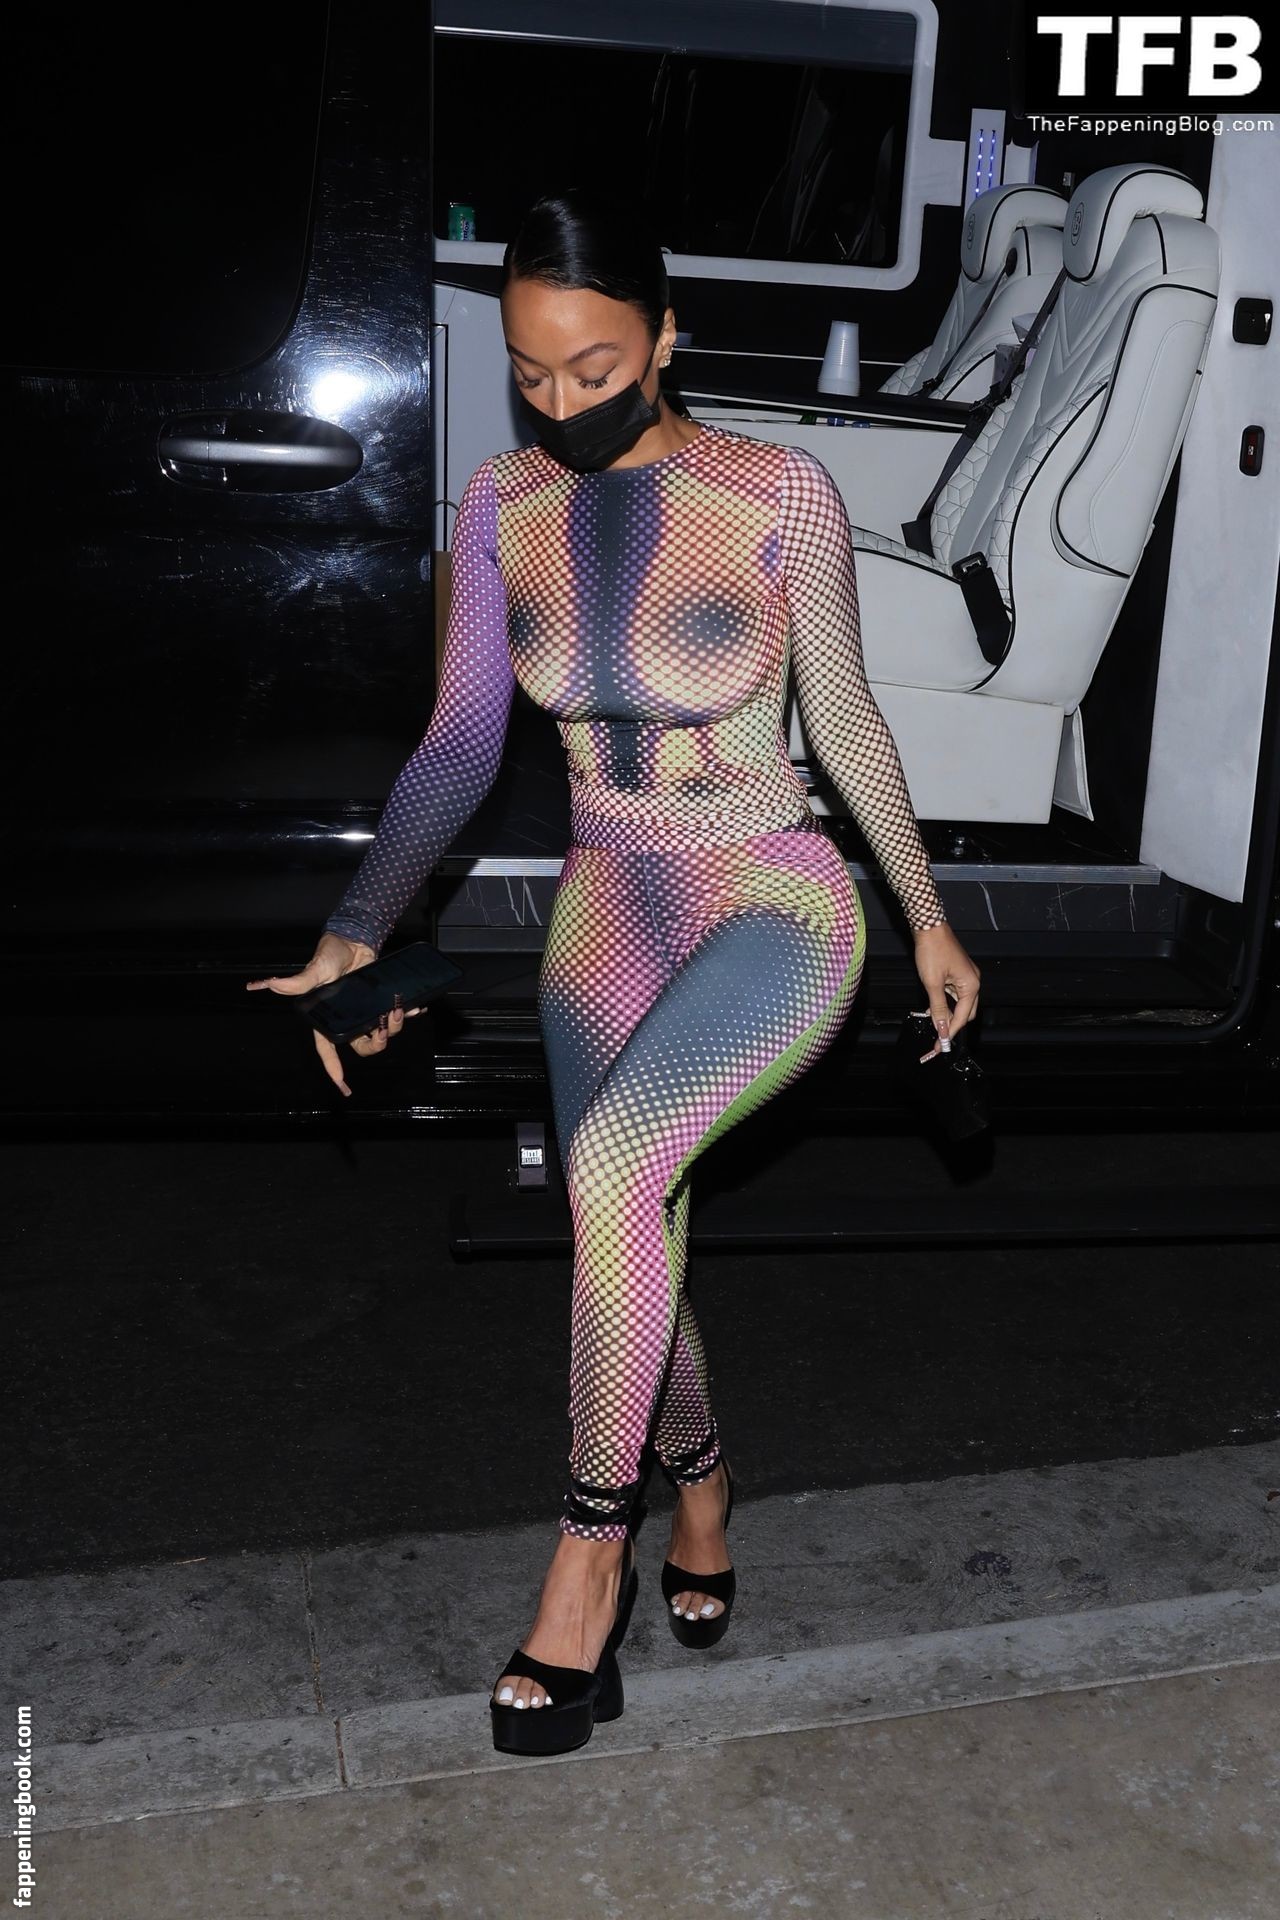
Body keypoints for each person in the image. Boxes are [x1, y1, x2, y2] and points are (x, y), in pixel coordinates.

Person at [247, 185, 980, 1757]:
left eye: (595, 367)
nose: (563, 402)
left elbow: (846, 717)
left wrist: (923, 909)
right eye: (532, 373)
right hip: (608, 900)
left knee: (620, 1166)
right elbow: (460, 744)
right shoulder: (501, 505)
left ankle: (592, 1555)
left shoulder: (776, 491)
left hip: (773, 893)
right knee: (624, 1222)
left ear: (665, 337)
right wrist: (360, 922)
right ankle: (703, 1485)